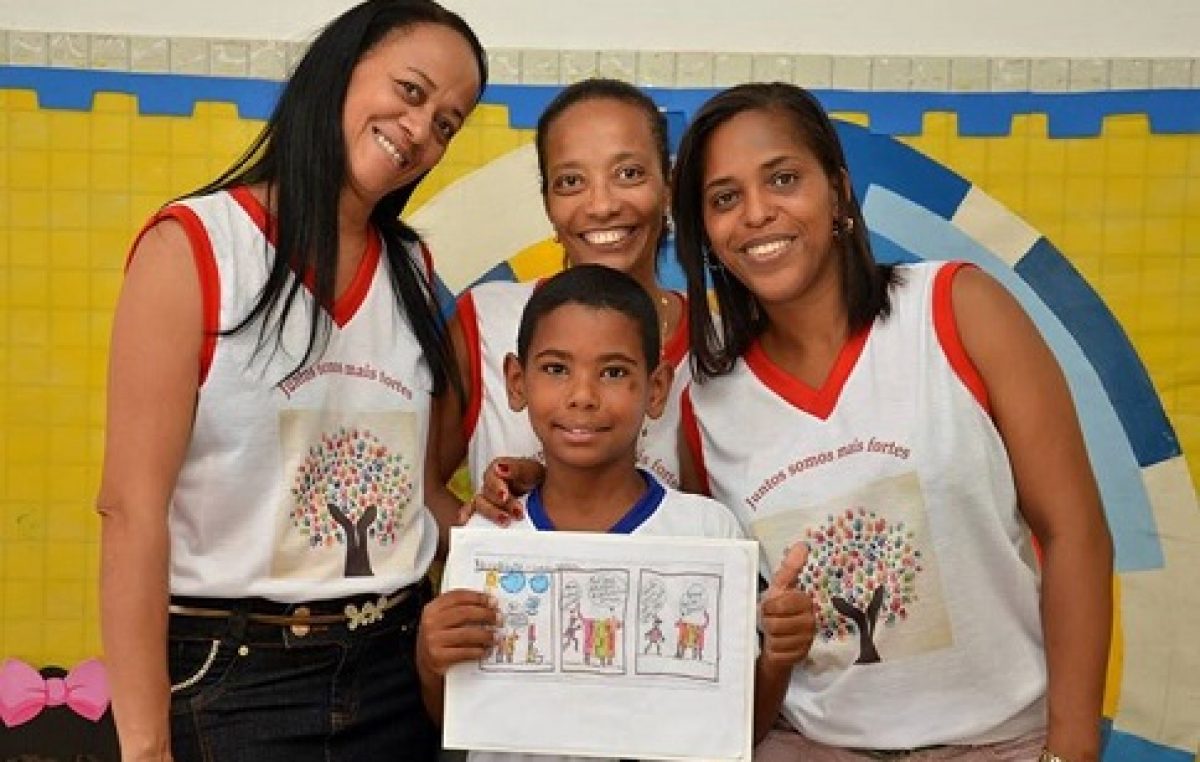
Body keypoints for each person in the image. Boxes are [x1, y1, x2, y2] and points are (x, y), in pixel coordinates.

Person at [671, 82, 1113, 762]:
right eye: (725, 198)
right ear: (704, 232)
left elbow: (1074, 530)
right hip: (813, 746)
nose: (757, 213)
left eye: (783, 179)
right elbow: (728, 624)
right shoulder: (704, 402)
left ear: (838, 191)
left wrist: (1070, 751)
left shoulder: (957, 308)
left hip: (1005, 742)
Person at [95, 2, 487, 760]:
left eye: (447, 123)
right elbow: (130, 511)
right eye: (410, 91)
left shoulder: (411, 267)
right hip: (237, 683)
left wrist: (508, 520)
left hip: (397, 672)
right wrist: (144, 748)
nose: (420, 131)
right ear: (338, 69)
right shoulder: (195, 247)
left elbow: (411, 493)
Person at [415, 265, 815, 758]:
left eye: (613, 372)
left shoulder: (708, 534)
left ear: (656, 389)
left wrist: (776, 659)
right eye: (556, 369)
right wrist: (429, 660)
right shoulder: (487, 537)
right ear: (516, 382)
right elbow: (457, 717)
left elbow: (737, 730)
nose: (583, 396)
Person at [428, 78, 691, 529]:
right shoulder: (486, 322)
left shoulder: (719, 347)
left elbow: (716, 530)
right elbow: (417, 491)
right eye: (571, 181)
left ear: (667, 186)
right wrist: (496, 548)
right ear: (548, 202)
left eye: (629, 173)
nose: (602, 205)